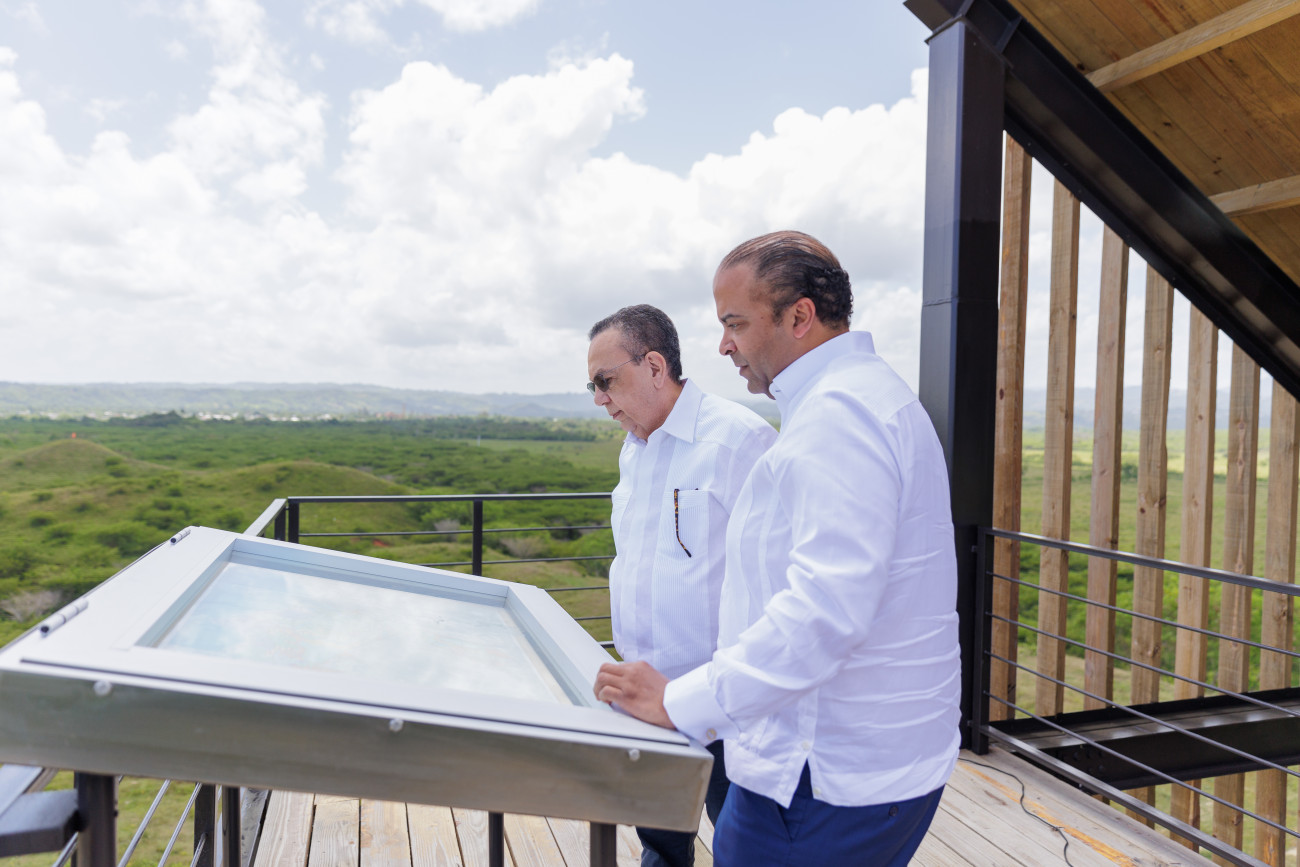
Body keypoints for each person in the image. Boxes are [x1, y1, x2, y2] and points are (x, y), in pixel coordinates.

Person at [592, 233, 961, 866]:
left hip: (820, 774)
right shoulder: (859, 399)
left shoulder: (838, 417)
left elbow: (824, 611)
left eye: (735, 323)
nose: (723, 345)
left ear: (799, 316)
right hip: (847, 760)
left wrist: (678, 701)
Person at [587, 304, 777, 867]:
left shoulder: (739, 441)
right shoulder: (633, 448)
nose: (599, 399)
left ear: (653, 366)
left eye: (605, 381)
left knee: (743, 846)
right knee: (662, 846)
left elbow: (775, 577)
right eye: (592, 386)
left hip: (718, 703)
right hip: (644, 694)